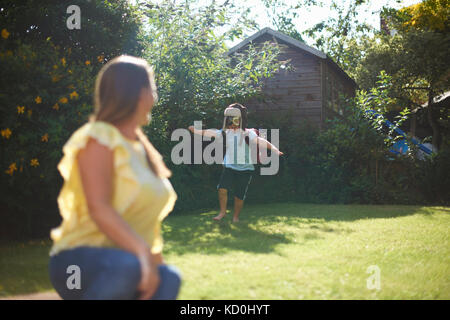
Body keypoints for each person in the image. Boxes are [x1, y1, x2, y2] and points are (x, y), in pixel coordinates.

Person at [48, 55, 181, 300]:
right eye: (153, 88)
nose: (155, 97)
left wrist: (154, 264)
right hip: (78, 260)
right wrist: (142, 256)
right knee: (128, 267)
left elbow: (147, 226)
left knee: (169, 278)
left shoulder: (141, 150)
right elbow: (99, 208)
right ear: (139, 94)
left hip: (127, 261)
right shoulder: (99, 136)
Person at [188, 103, 283, 223]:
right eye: (229, 122)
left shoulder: (248, 133)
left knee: (239, 195)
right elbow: (208, 133)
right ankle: (222, 212)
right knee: (222, 189)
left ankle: (235, 217)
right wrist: (195, 130)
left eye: (234, 122)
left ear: (240, 121)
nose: (232, 125)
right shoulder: (224, 133)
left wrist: (274, 149)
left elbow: (260, 141)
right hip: (230, 166)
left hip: (246, 169)